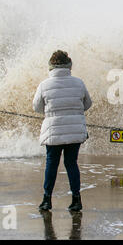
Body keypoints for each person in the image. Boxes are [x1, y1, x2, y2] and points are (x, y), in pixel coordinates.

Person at [33, 50, 92, 211]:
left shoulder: (44, 85)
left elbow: (37, 107)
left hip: (53, 131)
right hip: (75, 130)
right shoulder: (79, 83)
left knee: (51, 164)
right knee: (71, 163)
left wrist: (51, 113)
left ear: (51, 66)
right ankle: (76, 200)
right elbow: (88, 104)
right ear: (69, 65)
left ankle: (47, 200)